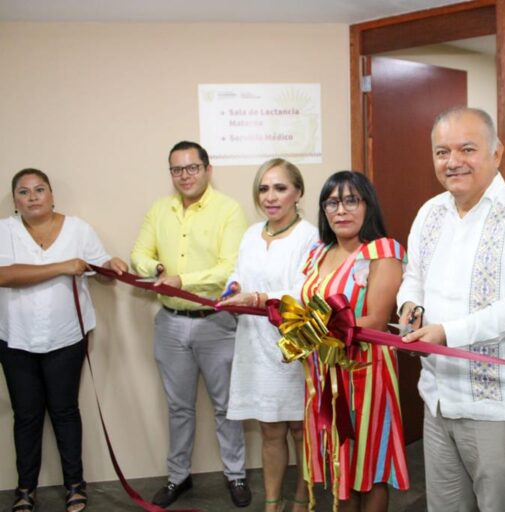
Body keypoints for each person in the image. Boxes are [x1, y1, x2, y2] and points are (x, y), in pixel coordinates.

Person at [397, 107, 505, 512]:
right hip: (437, 398)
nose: (453, 162)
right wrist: (410, 308)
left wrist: (447, 333)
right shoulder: (429, 213)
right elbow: (411, 276)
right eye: (441, 152)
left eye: (467, 149)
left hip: (497, 407)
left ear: (496, 153)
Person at [130, 141, 251, 508]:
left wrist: (183, 280)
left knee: (225, 406)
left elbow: (230, 267)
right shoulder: (159, 209)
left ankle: (236, 475)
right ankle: (178, 477)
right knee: (178, 407)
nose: (184, 176)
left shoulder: (229, 210)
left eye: (192, 168)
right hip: (169, 323)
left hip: (215, 321)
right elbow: (139, 254)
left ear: (207, 169)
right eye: (177, 169)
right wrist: (156, 271)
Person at [0, 168, 128, 512]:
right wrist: (61, 266)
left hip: (66, 336)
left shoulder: (78, 229)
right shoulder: (4, 231)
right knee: (26, 416)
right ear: (15, 200)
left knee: (66, 412)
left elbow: (97, 267)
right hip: (16, 339)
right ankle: (25, 489)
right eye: (24, 192)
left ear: (52, 194)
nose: (32, 197)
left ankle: (75, 484)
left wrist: (111, 267)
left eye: (39, 190)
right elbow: (4, 276)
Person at [300, 171, 409, 512]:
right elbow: (302, 305)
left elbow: (376, 318)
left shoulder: (382, 251)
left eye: (351, 200)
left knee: (371, 463)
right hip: (322, 374)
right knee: (340, 464)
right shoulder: (318, 252)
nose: (341, 210)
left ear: (367, 206)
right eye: (332, 202)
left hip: (366, 373)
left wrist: (310, 329)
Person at [217, 158, 317, 512]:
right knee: (270, 429)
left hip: (293, 345)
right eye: (263, 188)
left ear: (298, 192)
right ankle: (272, 503)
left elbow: (306, 292)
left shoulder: (311, 236)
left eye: (280, 188)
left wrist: (260, 298)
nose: (270, 197)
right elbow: (240, 274)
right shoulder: (250, 233)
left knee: (300, 429)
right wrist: (233, 288)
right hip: (254, 344)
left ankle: (302, 499)